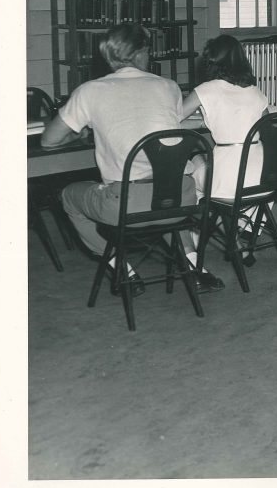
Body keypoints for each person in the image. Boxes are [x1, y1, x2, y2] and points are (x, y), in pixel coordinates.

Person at [41, 23, 224, 291]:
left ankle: (122, 268)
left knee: (68, 196)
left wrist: (78, 135)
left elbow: (48, 140)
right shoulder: (169, 86)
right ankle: (195, 267)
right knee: (162, 189)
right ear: (141, 52)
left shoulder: (90, 90)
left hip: (129, 205)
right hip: (180, 199)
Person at [180, 35, 269, 200]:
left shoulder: (205, 89)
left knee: (194, 164)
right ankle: (239, 223)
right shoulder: (255, 92)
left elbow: (172, 118)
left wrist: (201, 122)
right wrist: (206, 121)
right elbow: (266, 129)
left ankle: (210, 218)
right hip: (262, 179)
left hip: (226, 182)